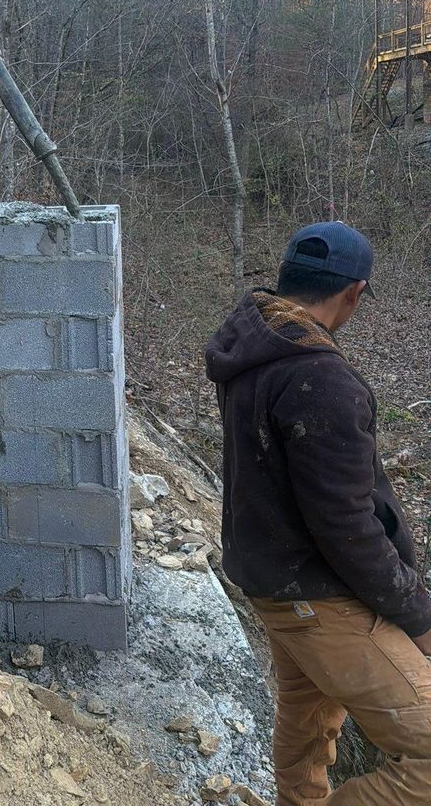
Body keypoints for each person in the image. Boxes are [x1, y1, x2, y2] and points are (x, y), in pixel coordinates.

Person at [205, 221, 431, 804]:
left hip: (273, 580)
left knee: (308, 723)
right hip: (318, 594)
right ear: (354, 292)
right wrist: (417, 615)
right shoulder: (318, 377)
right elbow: (347, 523)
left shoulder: (252, 346)